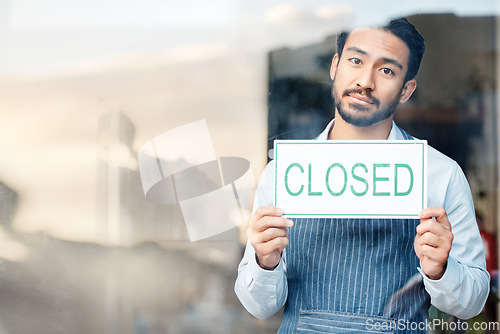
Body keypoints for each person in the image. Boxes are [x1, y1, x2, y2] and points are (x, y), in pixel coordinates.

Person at [234, 18, 489, 333]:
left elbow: (474, 302)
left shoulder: (440, 175)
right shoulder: (284, 174)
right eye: (356, 61)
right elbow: (259, 307)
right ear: (335, 66)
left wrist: (440, 270)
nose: (365, 81)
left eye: (386, 71)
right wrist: (264, 262)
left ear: (407, 89)